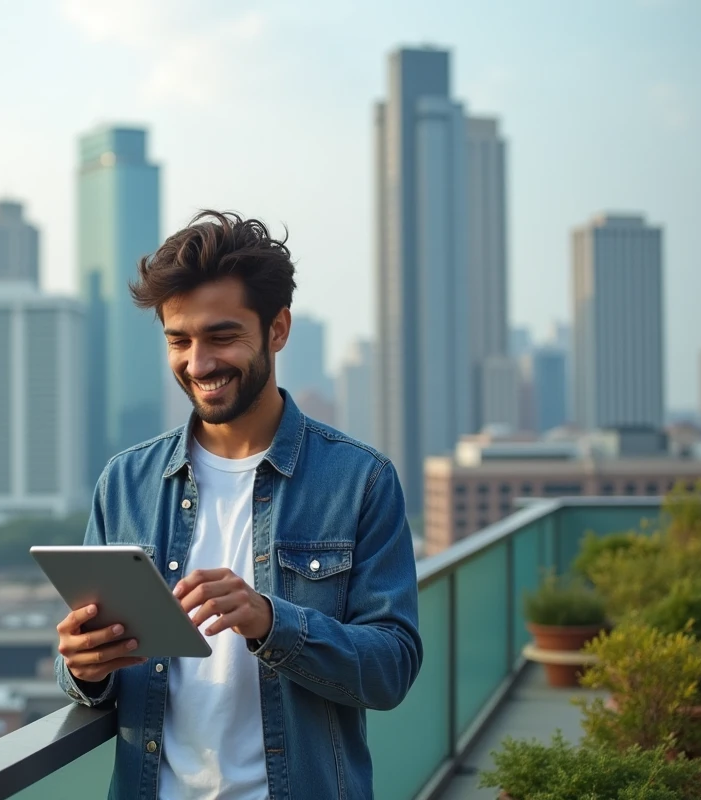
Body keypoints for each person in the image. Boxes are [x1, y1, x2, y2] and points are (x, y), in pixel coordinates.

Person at [55, 210, 423, 800]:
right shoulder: (124, 482)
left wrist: (272, 622)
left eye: (222, 336)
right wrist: (82, 667)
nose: (198, 364)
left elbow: (392, 669)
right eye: (180, 340)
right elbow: (88, 674)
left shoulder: (361, 480)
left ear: (278, 330)